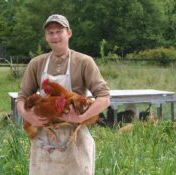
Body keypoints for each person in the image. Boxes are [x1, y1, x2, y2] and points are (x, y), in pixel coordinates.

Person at [16, 14, 110, 175]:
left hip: (74, 136)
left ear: (69, 33)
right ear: (46, 36)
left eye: (59, 31)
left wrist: (81, 118)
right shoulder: (36, 63)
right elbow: (22, 97)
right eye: (50, 33)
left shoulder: (83, 62)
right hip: (45, 137)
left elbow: (104, 98)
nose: (55, 36)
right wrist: (28, 116)